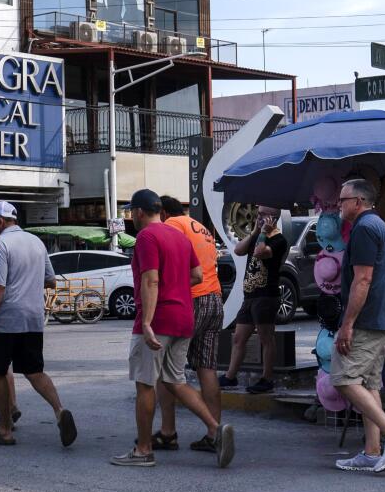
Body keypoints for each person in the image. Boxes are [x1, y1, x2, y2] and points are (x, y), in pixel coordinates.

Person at [111, 190, 235, 469]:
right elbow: (196, 275)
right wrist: (176, 289)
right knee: (175, 379)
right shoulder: (180, 236)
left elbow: (151, 280)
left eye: (131, 212)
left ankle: (143, 450)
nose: (131, 217)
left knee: (145, 383)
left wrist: (146, 322)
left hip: (159, 320)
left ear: (140, 212)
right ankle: (215, 429)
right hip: (184, 318)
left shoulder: (147, 237)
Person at [0, 202, 76, 449]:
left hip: (7, 319)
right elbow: (50, 281)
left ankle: (5, 430)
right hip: (33, 317)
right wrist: (28, 281)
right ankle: (60, 411)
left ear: (0, 221)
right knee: (34, 371)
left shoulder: (0, 244)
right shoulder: (36, 242)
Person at [332, 177, 385, 473]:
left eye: (342, 200)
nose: (338, 205)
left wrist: (348, 323)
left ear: (358, 202)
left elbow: (363, 279)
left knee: (343, 379)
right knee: (369, 384)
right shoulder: (379, 226)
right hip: (380, 318)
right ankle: (372, 451)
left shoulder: (365, 229)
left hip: (366, 320)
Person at [158, 197, 225, 454]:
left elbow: (172, 260)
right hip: (214, 299)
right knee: (206, 368)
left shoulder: (173, 224)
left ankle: (167, 432)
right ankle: (214, 432)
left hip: (192, 297)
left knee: (166, 368)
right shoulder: (200, 226)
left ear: (163, 212)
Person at [223, 208, 288, 392]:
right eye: (257, 214)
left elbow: (260, 252)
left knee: (266, 338)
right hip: (250, 296)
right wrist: (255, 231)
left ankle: (267, 379)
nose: (257, 218)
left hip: (266, 295)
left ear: (273, 218)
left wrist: (265, 232)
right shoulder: (257, 235)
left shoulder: (278, 240)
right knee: (238, 338)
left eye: (262, 215)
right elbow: (239, 249)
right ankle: (230, 377)